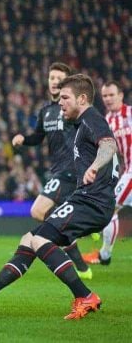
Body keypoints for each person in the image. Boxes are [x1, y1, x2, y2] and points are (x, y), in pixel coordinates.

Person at [0, 74, 118, 320]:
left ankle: (84, 295)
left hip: (92, 201)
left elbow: (109, 145)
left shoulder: (92, 118)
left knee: (41, 239)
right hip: (88, 198)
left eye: (65, 97)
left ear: (82, 99)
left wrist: (95, 166)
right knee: (29, 238)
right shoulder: (80, 122)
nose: (60, 102)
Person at [11, 62, 92, 279]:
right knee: (60, 219)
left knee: (38, 211)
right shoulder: (46, 111)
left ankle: (73, 236)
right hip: (58, 170)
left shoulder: (73, 108)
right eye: (51, 78)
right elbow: (38, 137)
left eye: (59, 78)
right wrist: (23, 139)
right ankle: (80, 263)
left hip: (72, 170)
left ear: (66, 82)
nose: (54, 81)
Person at [83, 81, 127, 265]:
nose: (108, 99)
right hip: (128, 171)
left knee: (110, 208)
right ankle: (104, 254)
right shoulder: (107, 120)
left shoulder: (131, 114)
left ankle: (105, 255)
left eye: (111, 95)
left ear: (121, 95)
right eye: (105, 96)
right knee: (110, 208)